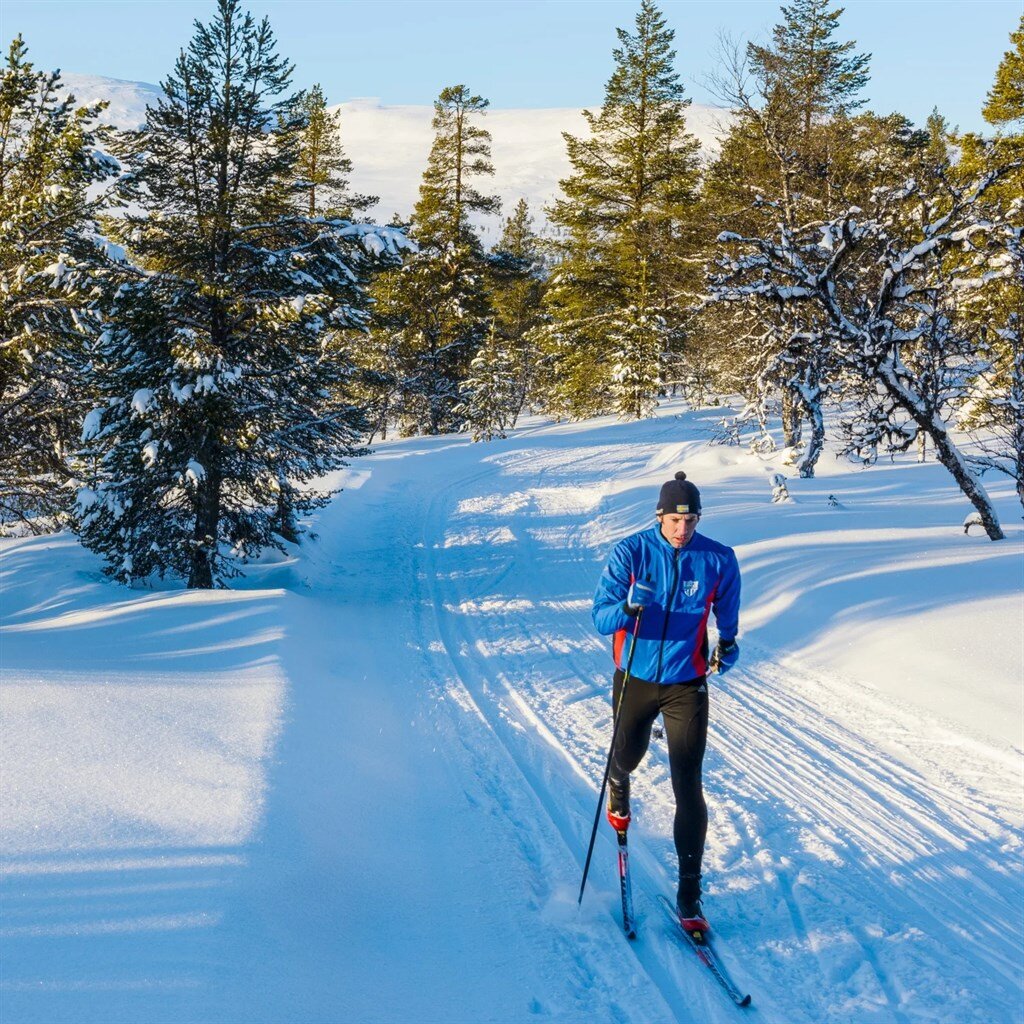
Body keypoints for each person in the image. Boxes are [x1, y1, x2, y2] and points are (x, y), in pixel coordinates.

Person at [592, 470, 740, 930]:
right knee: (629, 755)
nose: (683, 529)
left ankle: (690, 895)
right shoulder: (631, 552)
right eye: (675, 520)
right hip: (635, 674)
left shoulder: (718, 559)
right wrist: (628, 608)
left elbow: (726, 610)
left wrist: (728, 642)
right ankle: (618, 778)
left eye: (691, 520)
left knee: (688, 784)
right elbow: (600, 616)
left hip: (686, 683)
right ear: (659, 516)